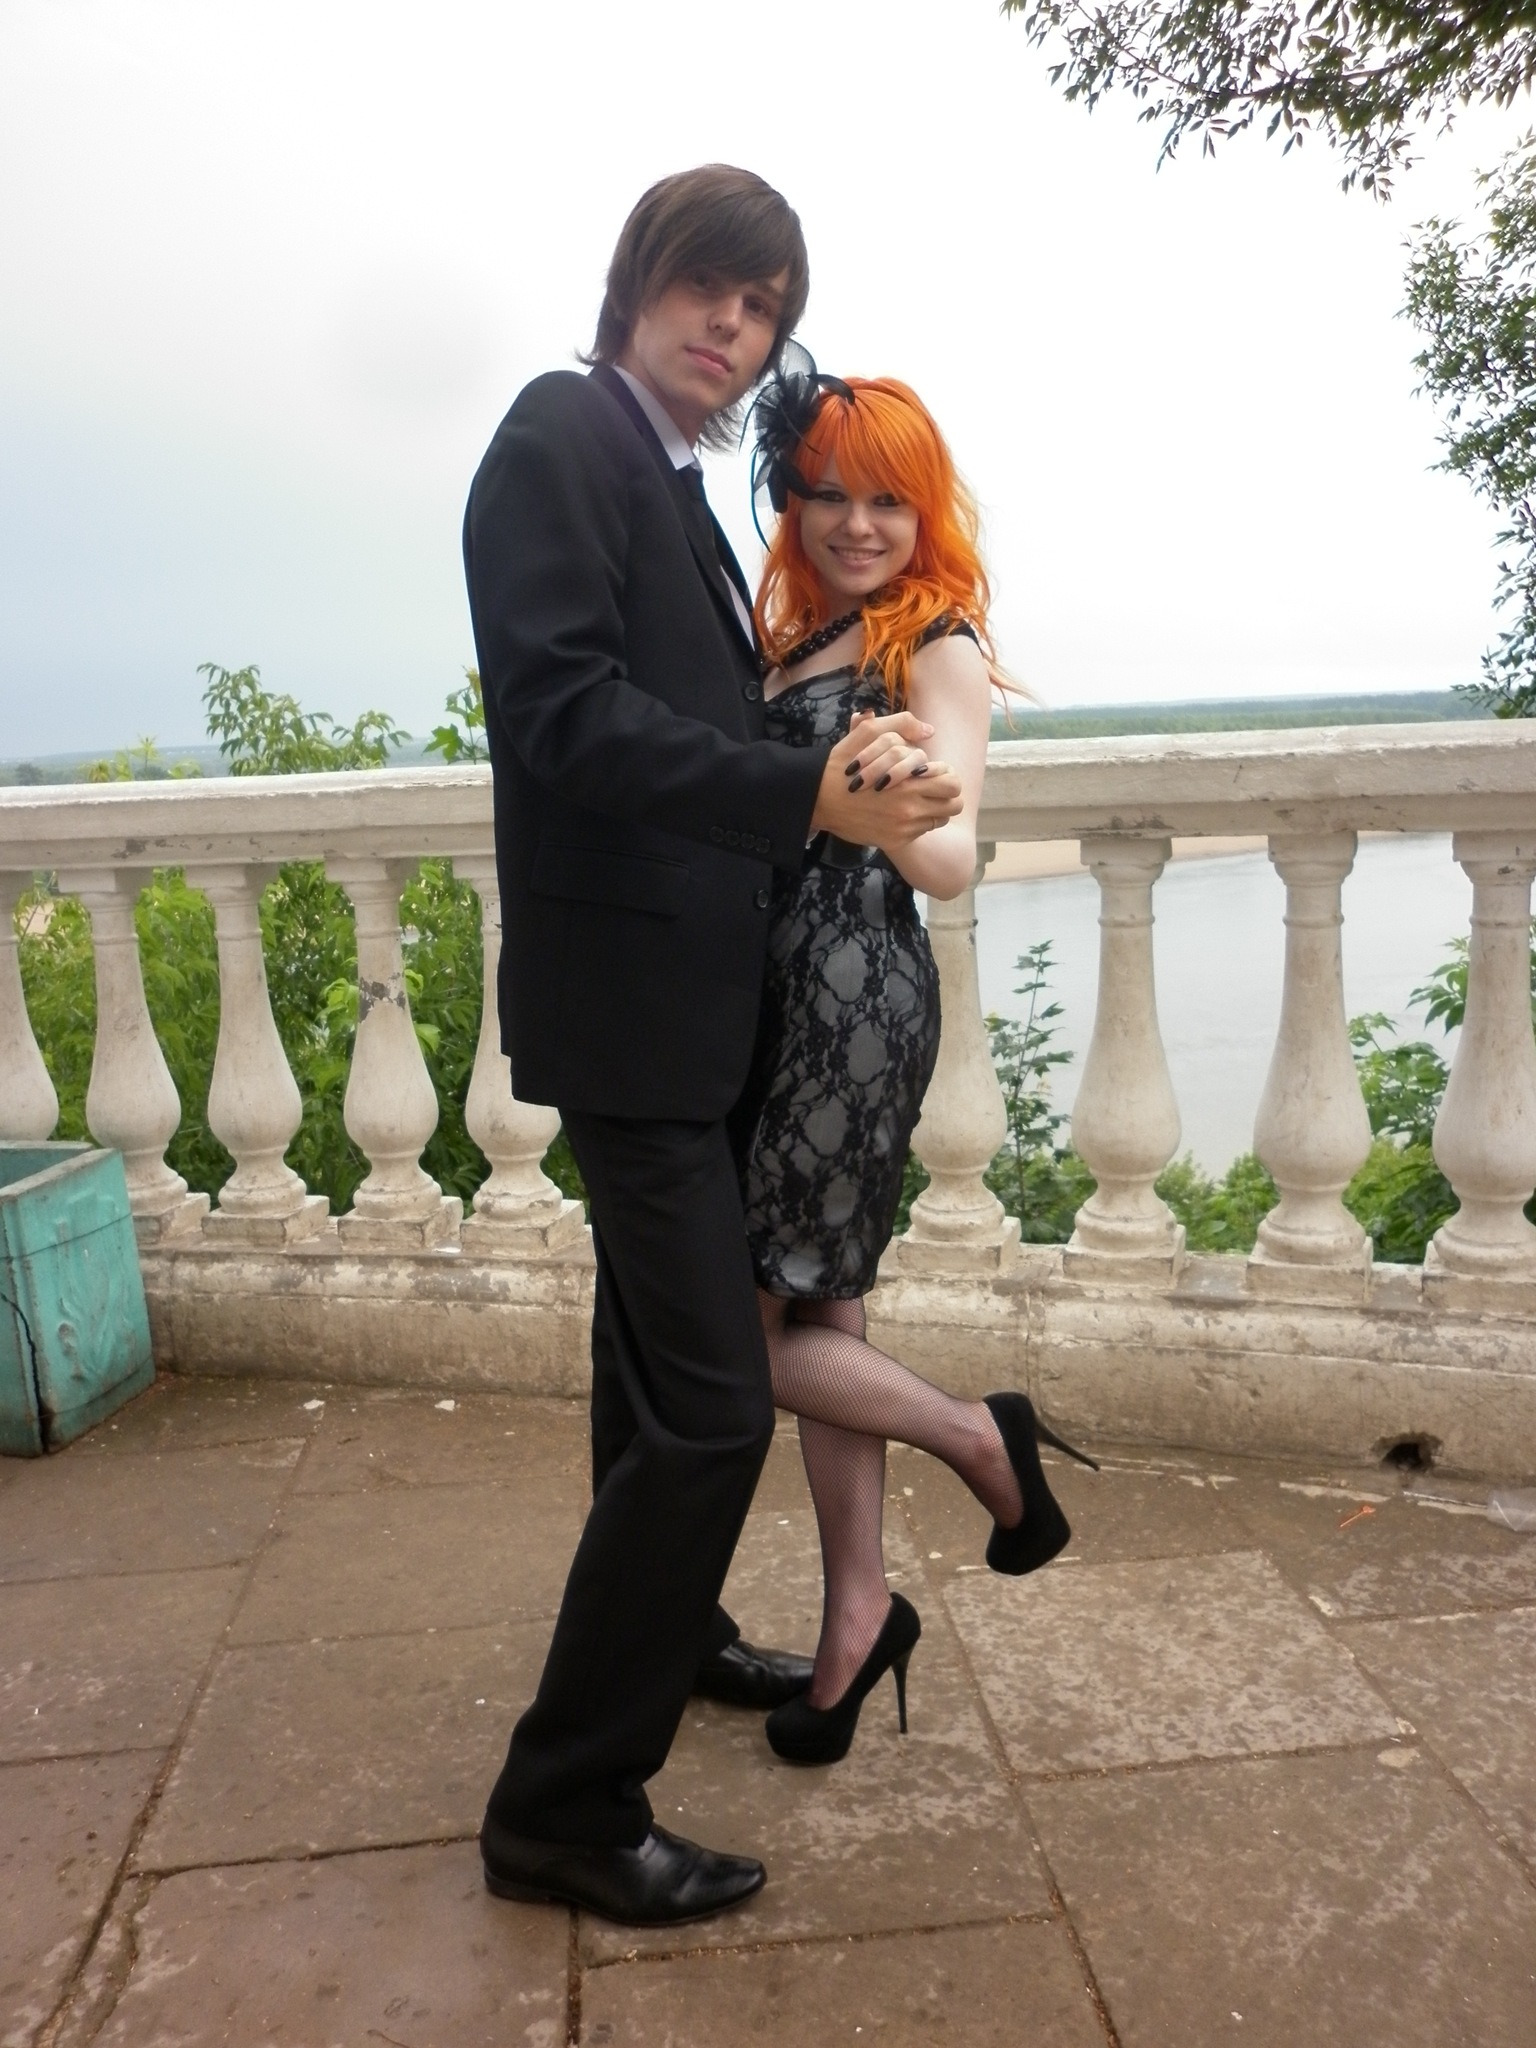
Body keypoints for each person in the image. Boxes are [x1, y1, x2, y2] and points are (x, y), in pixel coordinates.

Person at [462, 167, 964, 1926]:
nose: (731, 327)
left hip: (693, 1010)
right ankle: (565, 1807)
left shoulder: (667, 480)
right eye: (706, 289)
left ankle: (668, 1640)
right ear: (636, 287)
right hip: (628, 1011)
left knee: (641, 1376)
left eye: (761, 308)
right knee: (710, 1409)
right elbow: (560, 714)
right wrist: (803, 791)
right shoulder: (560, 437)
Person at [737, 365, 1097, 1766]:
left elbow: (949, 864)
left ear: (926, 508)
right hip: (762, 1008)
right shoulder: (794, 634)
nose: (859, 523)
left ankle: (977, 1438)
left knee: (739, 1338)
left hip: (848, 1012)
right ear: (794, 502)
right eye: (830, 494)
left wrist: (889, 791)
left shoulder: (931, 641)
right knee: (824, 1314)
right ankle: (857, 1616)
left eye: (889, 498)